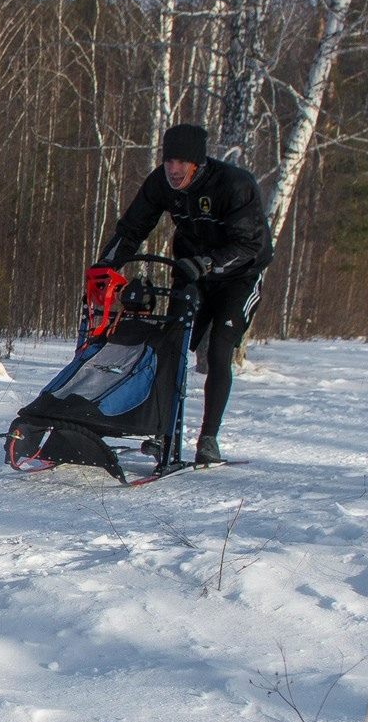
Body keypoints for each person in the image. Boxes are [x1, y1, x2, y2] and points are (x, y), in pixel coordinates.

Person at [96, 123, 272, 466]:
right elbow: (132, 229)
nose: (173, 170)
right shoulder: (161, 183)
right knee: (170, 347)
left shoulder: (234, 185)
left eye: (181, 163)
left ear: (198, 163)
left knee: (219, 350)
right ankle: (165, 433)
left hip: (240, 273)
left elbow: (250, 244)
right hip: (191, 269)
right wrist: (106, 267)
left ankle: (208, 439)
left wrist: (208, 264)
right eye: (168, 162)